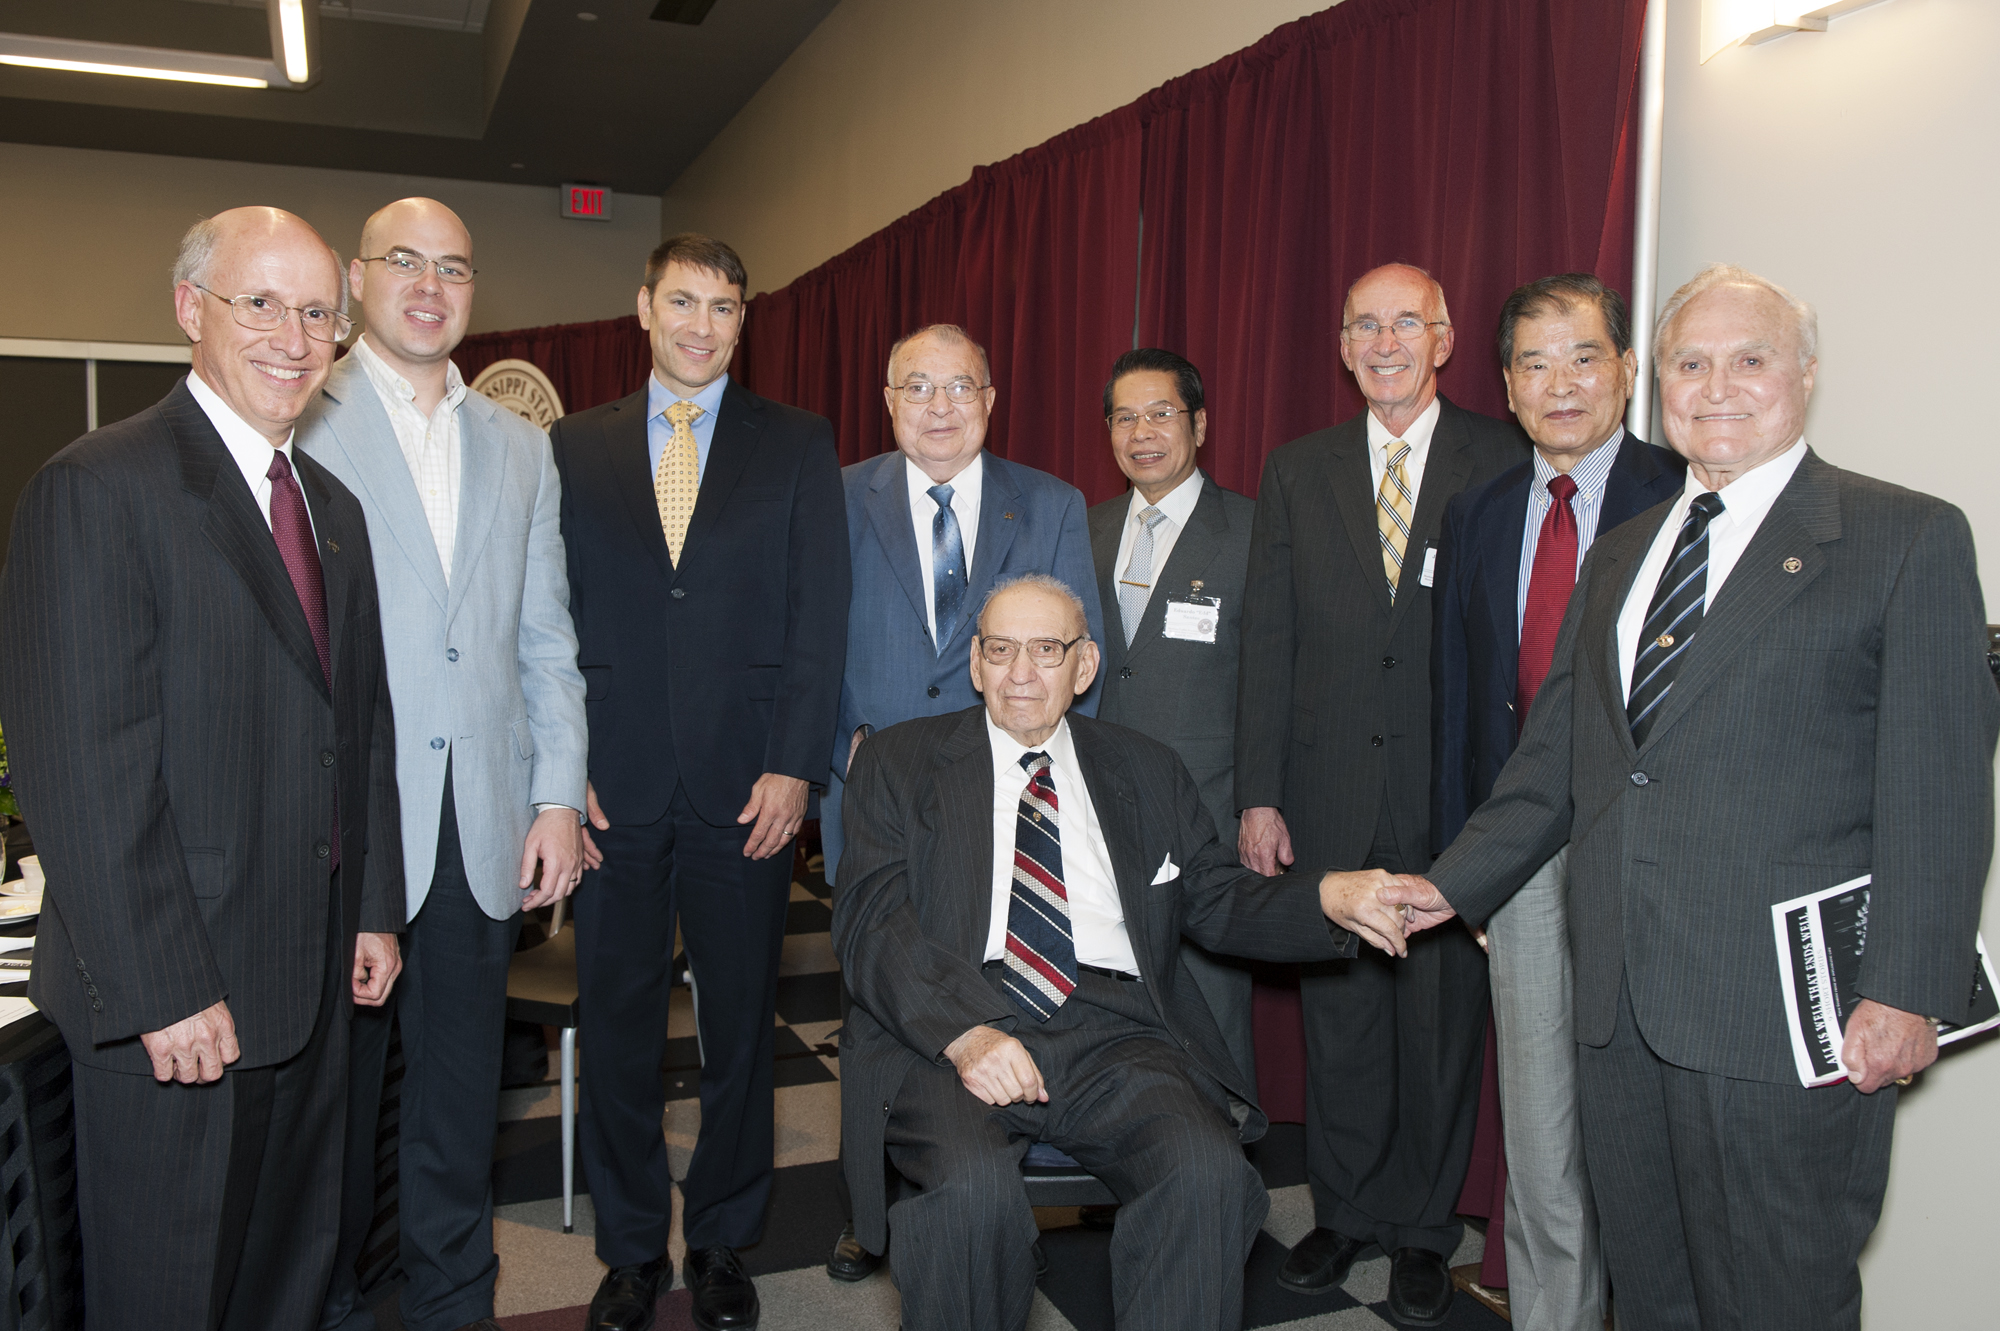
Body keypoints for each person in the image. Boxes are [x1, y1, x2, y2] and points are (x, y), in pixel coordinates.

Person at [1394, 264, 1997, 1331]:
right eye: (1689, 362)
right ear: (1655, 385)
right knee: (1653, 1290)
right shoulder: (1625, 553)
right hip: (1620, 1006)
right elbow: (1554, 763)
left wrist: (1906, 989)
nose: (1715, 384)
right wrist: (1444, 888)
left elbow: (1938, 789)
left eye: (1748, 358)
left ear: (1803, 375)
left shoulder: (1903, 537)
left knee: (1777, 1295)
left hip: (1783, 1022)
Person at [0, 206, 404, 1330]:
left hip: (314, 979)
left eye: (318, 311)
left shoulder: (335, 513)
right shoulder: (99, 487)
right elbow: (82, 767)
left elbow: (355, 726)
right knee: (175, 1296)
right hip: (177, 1002)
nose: (293, 334)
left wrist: (371, 907)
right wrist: (164, 985)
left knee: (289, 1278)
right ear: (191, 310)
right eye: (259, 302)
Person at [832, 573, 1421, 1331]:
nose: (1021, 673)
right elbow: (872, 921)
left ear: (1085, 666)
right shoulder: (898, 763)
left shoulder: (1145, 766)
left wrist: (1326, 897)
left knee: (1206, 1173)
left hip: (1116, 1031)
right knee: (969, 1194)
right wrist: (965, 1033)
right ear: (973, 663)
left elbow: (1215, 896)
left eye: (1046, 650)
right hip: (958, 1029)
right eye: (1002, 650)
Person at [550, 233, 849, 1331]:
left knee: (740, 1027)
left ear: (741, 320)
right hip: (609, 788)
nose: (702, 325)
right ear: (642, 306)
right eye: (683, 301)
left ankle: (722, 1237)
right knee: (618, 1020)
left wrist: (795, 764)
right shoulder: (572, 447)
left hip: (746, 784)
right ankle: (630, 1248)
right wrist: (556, 770)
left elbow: (819, 617)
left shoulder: (797, 442)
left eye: (725, 307)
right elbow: (547, 621)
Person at [300, 197, 588, 1331]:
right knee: (332, 1114)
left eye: (454, 267)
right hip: (344, 834)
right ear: (360, 277)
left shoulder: (521, 447)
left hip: (478, 831)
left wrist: (557, 792)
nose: (430, 284)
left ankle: (452, 1308)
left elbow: (545, 638)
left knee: (458, 1115)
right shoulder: (299, 416)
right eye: (404, 262)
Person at [1235, 262, 1527, 1324]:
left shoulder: (1501, 458)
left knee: (1440, 1023)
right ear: (1343, 342)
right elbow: (1267, 639)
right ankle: (1345, 1210)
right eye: (1365, 323)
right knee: (1341, 1022)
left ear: (1445, 338)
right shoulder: (1295, 469)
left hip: (1452, 800)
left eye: (1408, 321)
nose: (1386, 339)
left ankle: (1418, 1227)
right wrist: (1258, 794)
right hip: (1325, 794)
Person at [819, 322, 1103, 1280]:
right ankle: (873, 1209)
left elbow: (1080, 652)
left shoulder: (1053, 503)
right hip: (874, 798)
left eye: (960, 387)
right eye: (917, 386)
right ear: (888, 401)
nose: (939, 406)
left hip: (1010, 800)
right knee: (879, 996)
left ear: (991, 398)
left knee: (993, 985)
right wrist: (840, 748)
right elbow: (800, 640)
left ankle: (989, 1175)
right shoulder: (833, 496)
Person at [1429, 274, 1683, 1331]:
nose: (1559, 383)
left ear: (1625, 371)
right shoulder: (1478, 511)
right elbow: (1457, 700)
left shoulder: (1684, 495)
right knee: (1538, 1136)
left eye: (1582, 356)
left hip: (1655, 859)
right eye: (1532, 363)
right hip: (1520, 860)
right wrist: (1469, 870)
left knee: (1656, 1132)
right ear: (1504, 386)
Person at [1087, 347, 1259, 1085]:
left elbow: (1273, 685)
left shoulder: (1252, 532)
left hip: (1207, 808)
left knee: (1210, 995)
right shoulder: (1082, 529)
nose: (1142, 431)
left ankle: (1227, 1161)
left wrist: (1261, 802)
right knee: (1110, 990)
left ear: (1200, 424)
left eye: (1160, 412)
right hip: (1097, 802)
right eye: (1124, 416)